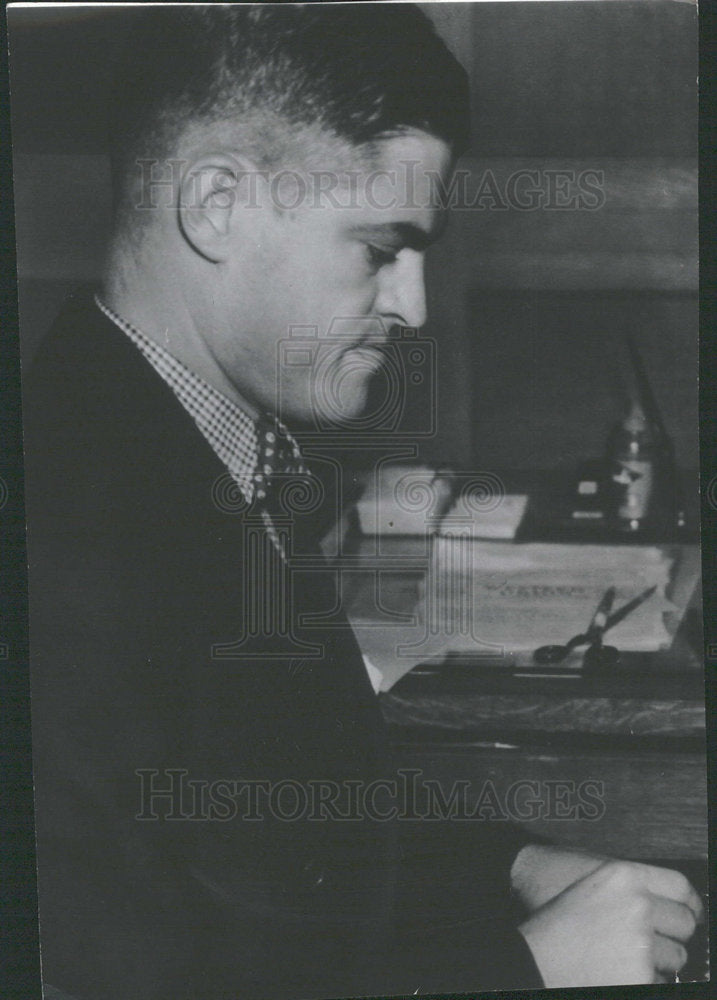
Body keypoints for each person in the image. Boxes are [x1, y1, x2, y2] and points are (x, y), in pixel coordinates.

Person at [22, 6, 702, 999]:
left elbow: (295, 818)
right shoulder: (62, 529)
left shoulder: (212, 434)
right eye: (382, 249)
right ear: (216, 203)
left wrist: (509, 868)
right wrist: (526, 963)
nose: (412, 307)